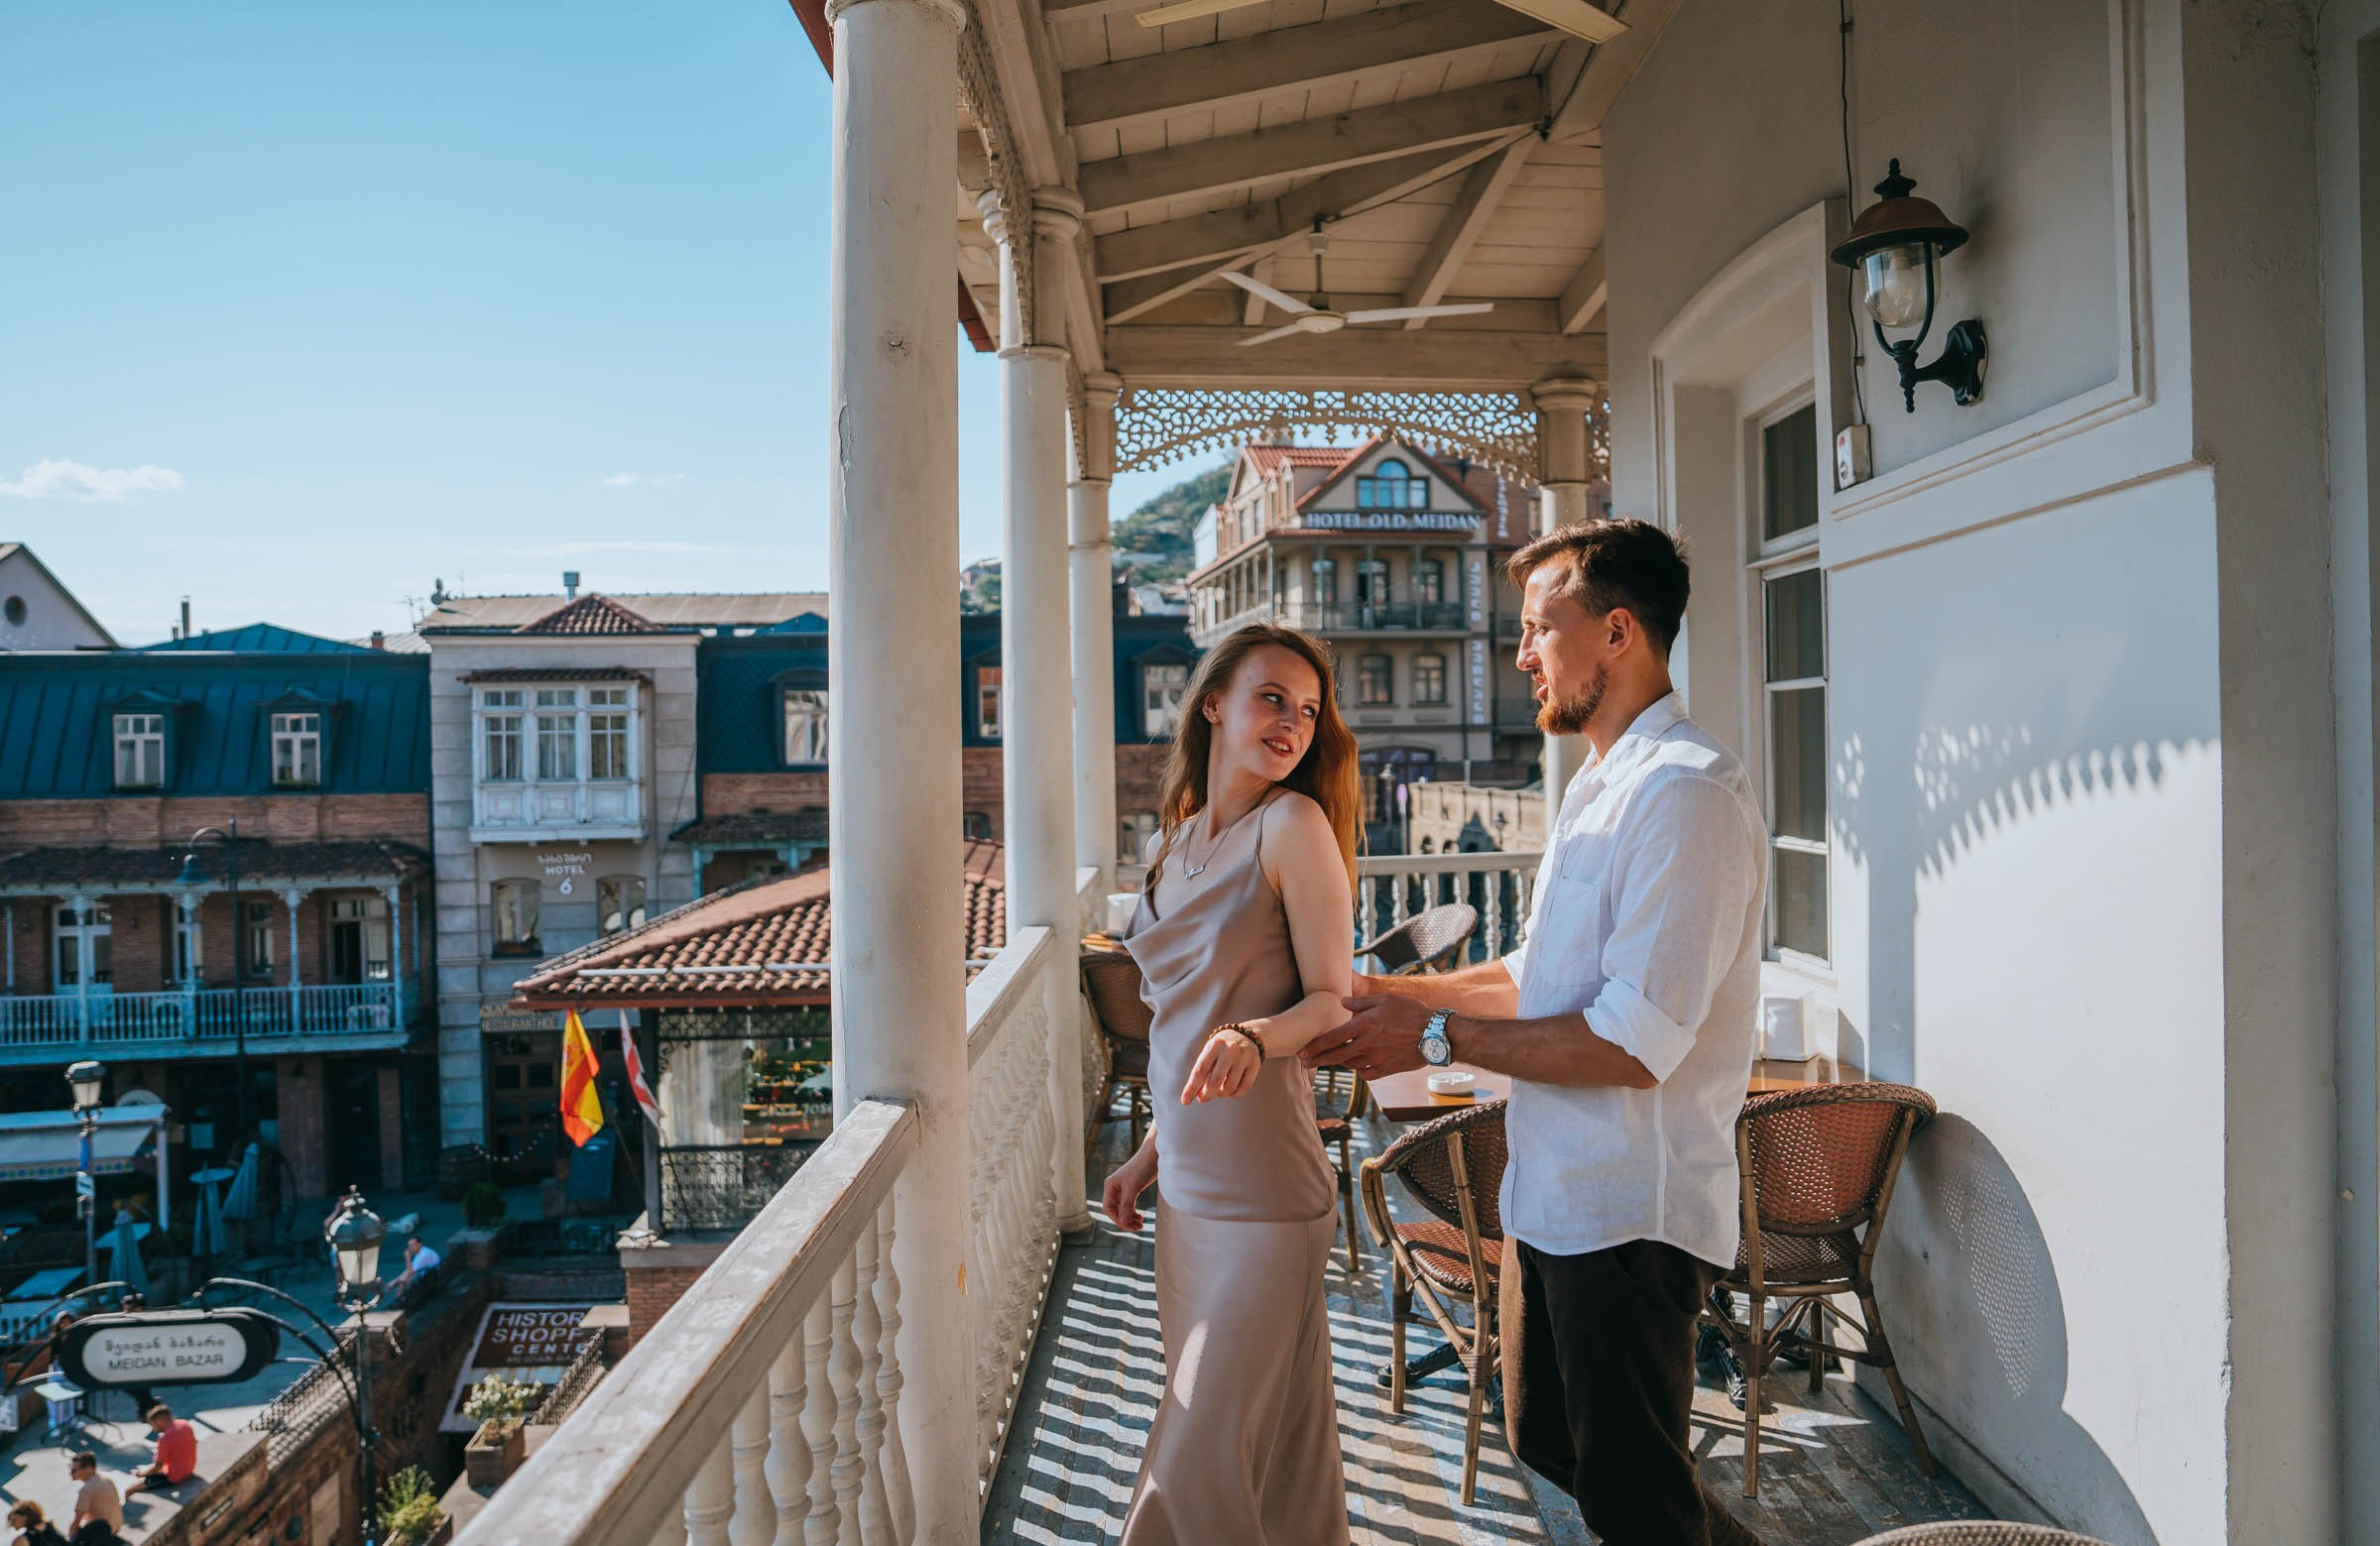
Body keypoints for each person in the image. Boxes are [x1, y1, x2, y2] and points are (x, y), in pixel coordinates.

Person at [1304, 519, 1772, 1546]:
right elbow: (1533, 974)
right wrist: (1395, 993)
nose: (1520, 654)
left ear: (1618, 631)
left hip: (1628, 1217)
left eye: (1537, 628)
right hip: (1551, 1199)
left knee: (1637, 1502)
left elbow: (1630, 1044)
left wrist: (1433, 1040)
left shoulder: (1686, 793)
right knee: (1551, 1440)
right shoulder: (1600, 783)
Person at [1101, 623, 1363, 1545]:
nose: (1293, 721)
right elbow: (1179, 1029)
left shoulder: (1292, 826)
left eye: (1309, 710)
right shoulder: (1172, 844)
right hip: (1187, 1199)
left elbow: (1333, 998)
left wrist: (1258, 1033)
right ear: (1213, 702)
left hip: (1266, 1200)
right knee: (1280, 1462)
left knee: (1194, 1459)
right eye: (1272, 697)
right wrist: (1148, 1153)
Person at [132, 1402, 196, 1491]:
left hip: (175, 1476)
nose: (153, 1429)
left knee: (129, 1489)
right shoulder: (184, 1424)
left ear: (159, 1421)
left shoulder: (165, 1439)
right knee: (147, 1469)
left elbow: (157, 1466)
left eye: (152, 1425)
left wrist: (141, 1474)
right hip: (189, 1468)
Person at [66, 1451, 122, 1546]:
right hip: (116, 1526)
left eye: (74, 1470)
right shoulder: (107, 1480)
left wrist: (69, 1538)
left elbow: (76, 1522)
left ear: (88, 1468)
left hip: (103, 1533)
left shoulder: (86, 1490)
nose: (71, 1473)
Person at [387, 1235, 440, 1300]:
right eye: (409, 1246)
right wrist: (395, 1281)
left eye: (413, 1245)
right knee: (403, 1279)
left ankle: (399, 1301)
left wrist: (408, 1258)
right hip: (430, 1274)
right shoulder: (422, 1251)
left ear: (420, 1244)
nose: (410, 1248)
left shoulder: (423, 1255)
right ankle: (399, 1299)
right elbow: (409, 1270)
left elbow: (410, 1271)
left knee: (403, 1282)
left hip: (431, 1278)